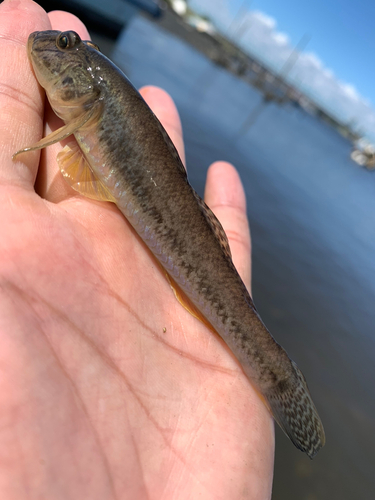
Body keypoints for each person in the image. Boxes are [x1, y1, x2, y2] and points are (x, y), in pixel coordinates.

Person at [0, 0, 274, 497]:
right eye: (67, 46)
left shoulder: (93, 99)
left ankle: (273, 376)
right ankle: (273, 372)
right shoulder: (88, 104)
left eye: (67, 47)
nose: (55, 50)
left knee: (213, 290)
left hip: (179, 233)